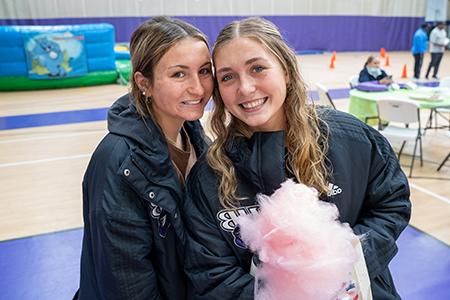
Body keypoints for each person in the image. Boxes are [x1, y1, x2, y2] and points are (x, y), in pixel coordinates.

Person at [182, 17, 411, 300]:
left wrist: (340, 265)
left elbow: (391, 204)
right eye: (228, 77)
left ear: (286, 71)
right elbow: (212, 274)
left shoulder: (352, 139)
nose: (245, 88)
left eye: (257, 68)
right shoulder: (211, 175)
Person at [75, 16, 213, 300]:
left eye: (204, 71)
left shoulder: (198, 140)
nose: (198, 89)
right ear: (144, 83)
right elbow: (127, 285)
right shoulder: (117, 164)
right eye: (179, 74)